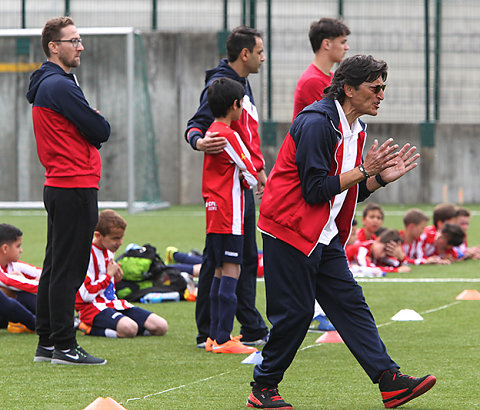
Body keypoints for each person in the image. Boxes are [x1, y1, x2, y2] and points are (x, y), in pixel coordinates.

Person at [246, 55, 436, 409]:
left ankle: (389, 380)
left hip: (323, 233)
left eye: (383, 88)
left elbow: (346, 188)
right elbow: (315, 188)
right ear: (349, 89)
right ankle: (263, 389)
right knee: (297, 314)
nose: (381, 95)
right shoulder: (318, 123)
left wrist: (377, 179)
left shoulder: (356, 128)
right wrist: (365, 170)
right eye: (374, 87)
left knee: (351, 305)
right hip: (288, 230)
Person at [26, 16, 111, 365]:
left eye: (79, 39)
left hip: (62, 185)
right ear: (53, 46)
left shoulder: (51, 83)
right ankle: (63, 345)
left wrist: (91, 122)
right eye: (73, 40)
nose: (80, 46)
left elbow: (90, 128)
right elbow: (100, 129)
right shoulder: (59, 85)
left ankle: (48, 343)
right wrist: (94, 119)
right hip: (73, 185)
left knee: (55, 265)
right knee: (69, 269)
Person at [185, 26, 269, 348]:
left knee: (239, 258)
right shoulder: (220, 87)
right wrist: (199, 140)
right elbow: (197, 125)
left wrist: (257, 168)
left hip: (234, 190)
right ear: (245, 54)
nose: (263, 57)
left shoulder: (241, 85)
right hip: (230, 193)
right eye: (260, 52)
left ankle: (247, 326)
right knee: (221, 261)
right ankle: (212, 332)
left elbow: (246, 138)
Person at [201, 77, 258, 355]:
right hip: (230, 212)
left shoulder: (211, 131)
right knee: (232, 270)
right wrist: (252, 182)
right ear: (235, 105)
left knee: (218, 271)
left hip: (214, 211)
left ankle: (214, 336)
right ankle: (224, 338)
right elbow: (248, 168)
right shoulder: (229, 134)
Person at [75, 210, 168, 339]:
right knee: (129, 329)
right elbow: (86, 295)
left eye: (121, 237)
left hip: (113, 303)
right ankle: (85, 326)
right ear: (98, 235)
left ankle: (124, 326)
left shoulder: (109, 250)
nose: (120, 243)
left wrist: (116, 279)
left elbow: (107, 285)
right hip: (91, 308)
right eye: (115, 238)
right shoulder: (86, 255)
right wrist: (108, 276)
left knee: (160, 326)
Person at [292, 17, 350, 119]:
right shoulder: (313, 81)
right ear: (326, 44)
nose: (347, 47)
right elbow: (334, 120)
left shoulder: (330, 77)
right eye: (342, 42)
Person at [0, 223, 40, 313]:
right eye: (18, 246)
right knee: (24, 296)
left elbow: (42, 273)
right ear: (5, 248)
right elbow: (8, 281)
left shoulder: (13, 264)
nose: (21, 250)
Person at [347, 229, 411, 273]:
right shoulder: (362, 249)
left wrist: (401, 258)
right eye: (384, 249)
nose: (382, 255)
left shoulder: (376, 253)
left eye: (386, 254)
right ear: (378, 240)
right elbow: (369, 268)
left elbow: (396, 264)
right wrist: (396, 270)